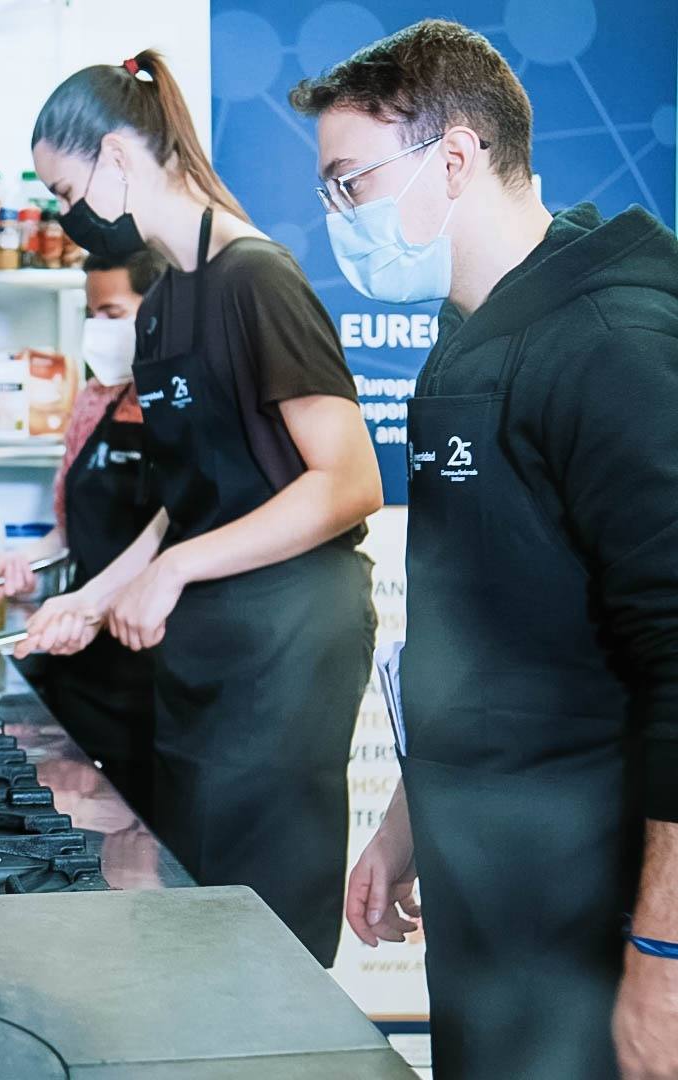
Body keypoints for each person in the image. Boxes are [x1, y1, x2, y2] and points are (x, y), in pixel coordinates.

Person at [291, 18, 678, 1079]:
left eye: (349, 183)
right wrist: (408, 824)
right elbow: (476, 628)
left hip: (591, 923)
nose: (338, 217)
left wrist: (665, 955)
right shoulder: (468, 339)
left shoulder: (610, 345)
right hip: (488, 892)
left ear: (454, 157)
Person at [18, 49, 382, 966]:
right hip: (206, 650)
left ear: (114, 160)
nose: (69, 221)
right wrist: (95, 596)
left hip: (290, 644)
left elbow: (348, 482)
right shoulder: (163, 303)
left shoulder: (257, 280)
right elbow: (186, 502)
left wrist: (178, 569)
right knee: (194, 918)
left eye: (65, 193)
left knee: (263, 940)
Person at [0, 248, 166, 819]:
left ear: (159, 308)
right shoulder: (95, 401)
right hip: (80, 659)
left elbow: (181, 533)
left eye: (113, 313)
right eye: (92, 315)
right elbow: (67, 533)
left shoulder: (187, 407)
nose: (99, 331)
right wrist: (25, 563)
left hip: (154, 669)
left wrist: (92, 604)